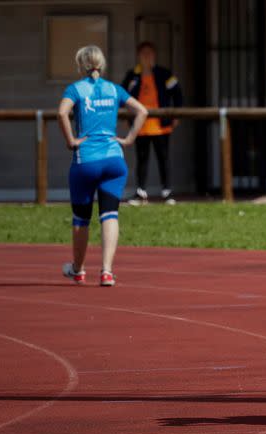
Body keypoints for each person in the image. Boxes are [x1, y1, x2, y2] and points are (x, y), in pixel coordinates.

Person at [58, 45, 147, 287]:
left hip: (86, 160)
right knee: (110, 215)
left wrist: (71, 141)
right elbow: (142, 110)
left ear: (81, 65)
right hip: (114, 160)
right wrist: (128, 139)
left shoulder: (76, 89)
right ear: (102, 64)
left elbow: (62, 113)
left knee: (81, 219)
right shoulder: (114, 89)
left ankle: (78, 270)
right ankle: (107, 271)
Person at [122, 41, 182, 205]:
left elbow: (177, 93)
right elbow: (122, 97)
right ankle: (141, 193)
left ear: (154, 55)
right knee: (142, 159)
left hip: (161, 125)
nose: (147, 56)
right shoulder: (132, 75)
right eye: (143, 53)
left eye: (149, 53)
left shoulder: (164, 73)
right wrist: (127, 119)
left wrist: (176, 115)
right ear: (138, 56)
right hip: (140, 125)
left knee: (163, 158)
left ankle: (167, 193)